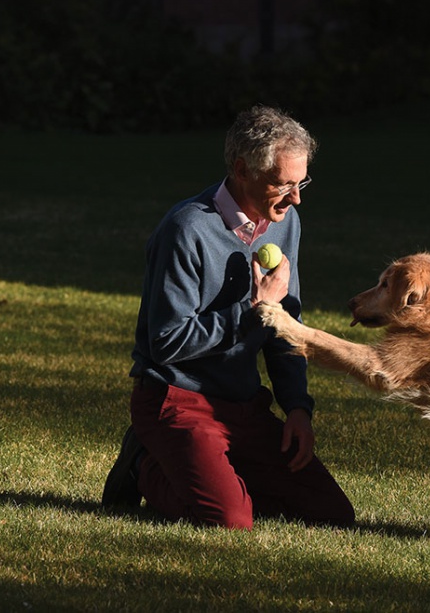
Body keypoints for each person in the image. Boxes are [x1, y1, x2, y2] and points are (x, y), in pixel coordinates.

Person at [101, 105, 355, 530]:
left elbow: (284, 327)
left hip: (241, 404)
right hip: (176, 399)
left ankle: (216, 471)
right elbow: (166, 342)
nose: (296, 198)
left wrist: (296, 407)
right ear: (242, 169)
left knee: (331, 514)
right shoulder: (186, 229)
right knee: (229, 520)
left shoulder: (285, 222)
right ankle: (144, 465)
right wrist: (252, 311)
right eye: (284, 184)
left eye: (302, 182)